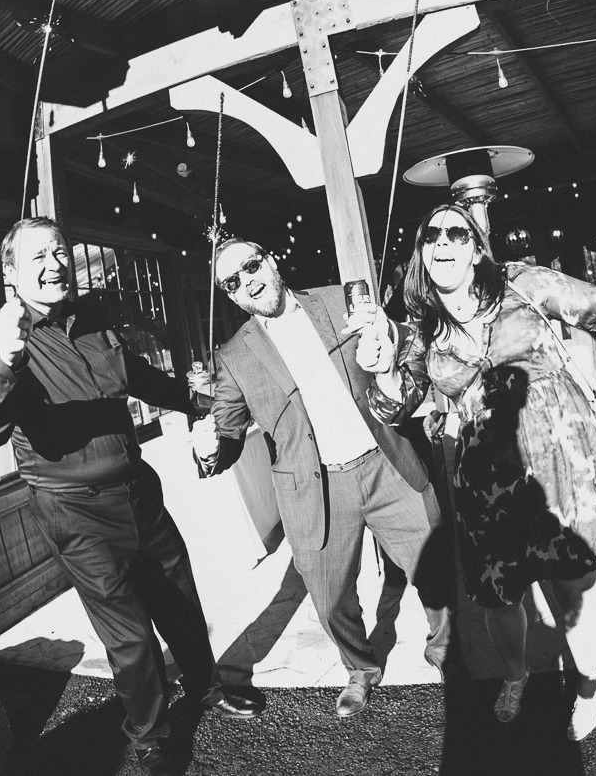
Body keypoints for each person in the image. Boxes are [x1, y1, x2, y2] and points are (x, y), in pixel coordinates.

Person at [0, 217, 261, 776]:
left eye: (60, 252)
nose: (55, 265)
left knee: (178, 596)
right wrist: (6, 358)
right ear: (9, 272)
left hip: (138, 492)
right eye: (38, 258)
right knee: (128, 634)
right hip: (75, 511)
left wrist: (193, 400)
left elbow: (137, 376)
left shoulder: (94, 315)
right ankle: (150, 736)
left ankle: (203, 685)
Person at [353, 203, 596, 740]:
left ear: (477, 247)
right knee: (499, 596)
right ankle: (516, 674)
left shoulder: (522, 284)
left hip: (562, 460)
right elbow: (396, 405)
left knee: (574, 588)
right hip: (486, 478)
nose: (443, 241)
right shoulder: (421, 329)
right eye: (431, 234)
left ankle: (588, 686)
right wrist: (382, 367)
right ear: (422, 252)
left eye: (457, 231)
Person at [188, 237, 453, 718]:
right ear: (230, 295)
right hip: (315, 488)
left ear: (270, 260)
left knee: (436, 570)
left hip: (384, 463)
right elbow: (226, 437)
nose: (248, 280)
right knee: (331, 601)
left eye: (252, 265)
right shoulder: (234, 356)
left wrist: (390, 350)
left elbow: (410, 353)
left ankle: (445, 651)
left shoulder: (342, 301)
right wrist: (209, 451)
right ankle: (360, 668)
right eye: (233, 281)